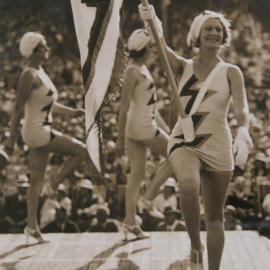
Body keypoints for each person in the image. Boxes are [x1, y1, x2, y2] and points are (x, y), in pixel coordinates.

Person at [139, 7, 253, 270]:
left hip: (218, 144)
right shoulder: (183, 66)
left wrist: (243, 129)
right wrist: (151, 19)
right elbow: (160, 45)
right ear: (197, 35)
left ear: (223, 36)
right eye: (208, 28)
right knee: (189, 184)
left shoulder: (231, 71)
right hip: (184, 140)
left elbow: (241, 107)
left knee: (215, 217)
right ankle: (195, 249)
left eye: (218, 29)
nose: (213, 32)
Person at [5, 32, 98, 243]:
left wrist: (71, 112)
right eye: (44, 46)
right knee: (82, 150)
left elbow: (48, 104)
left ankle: (32, 227)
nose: (48, 49)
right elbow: (18, 107)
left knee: (35, 180)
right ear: (35, 50)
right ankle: (55, 182)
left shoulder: (41, 72)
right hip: (36, 130)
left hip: (40, 129)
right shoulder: (29, 75)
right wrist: (10, 139)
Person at [115, 28, 173, 240]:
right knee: (177, 155)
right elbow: (123, 107)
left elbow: (150, 105)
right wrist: (119, 139)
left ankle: (130, 221)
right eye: (152, 46)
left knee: (136, 176)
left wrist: (167, 129)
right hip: (141, 127)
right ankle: (148, 199)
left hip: (139, 127)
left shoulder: (140, 68)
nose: (155, 50)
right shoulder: (132, 71)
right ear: (145, 48)